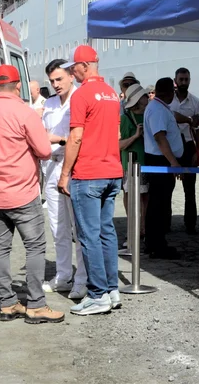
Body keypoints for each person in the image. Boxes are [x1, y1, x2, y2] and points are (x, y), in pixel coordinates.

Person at [0, 65, 64, 324]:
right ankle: (36, 305)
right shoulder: (25, 112)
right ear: (18, 85)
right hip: (22, 191)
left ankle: (8, 303)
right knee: (35, 247)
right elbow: (44, 151)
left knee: (0, 247)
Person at [57, 45, 124, 316]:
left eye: (74, 67)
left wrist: (64, 174)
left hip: (89, 173)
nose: (73, 71)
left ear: (84, 66)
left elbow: (76, 136)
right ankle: (111, 289)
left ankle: (98, 295)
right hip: (112, 170)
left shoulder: (82, 94)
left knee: (88, 236)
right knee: (106, 232)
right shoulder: (110, 94)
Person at [41, 59, 87, 300]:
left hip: (73, 166)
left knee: (78, 229)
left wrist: (57, 139)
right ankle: (63, 275)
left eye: (59, 79)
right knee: (57, 226)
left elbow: (79, 137)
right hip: (51, 167)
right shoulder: (48, 104)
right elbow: (40, 134)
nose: (56, 84)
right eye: (52, 81)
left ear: (71, 75)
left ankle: (82, 278)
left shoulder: (80, 99)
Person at [143, 78, 183, 260]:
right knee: (159, 204)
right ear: (169, 93)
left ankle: (155, 243)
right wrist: (173, 162)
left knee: (159, 203)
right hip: (160, 161)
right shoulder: (157, 109)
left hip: (161, 160)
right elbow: (160, 138)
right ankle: (156, 245)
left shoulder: (158, 107)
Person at [170, 67, 199, 234]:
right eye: (181, 79)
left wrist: (197, 150)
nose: (184, 82)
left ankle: (191, 224)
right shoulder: (168, 101)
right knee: (166, 188)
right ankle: (165, 223)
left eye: (186, 79)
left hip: (189, 147)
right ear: (175, 80)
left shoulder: (196, 102)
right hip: (170, 147)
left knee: (190, 189)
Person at [119, 84, 150, 250]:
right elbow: (119, 145)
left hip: (147, 164)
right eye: (145, 96)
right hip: (131, 164)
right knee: (132, 198)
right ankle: (133, 231)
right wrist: (136, 136)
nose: (148, 98)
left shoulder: (148, 115)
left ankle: (143, 229)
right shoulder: (125, 118)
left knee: (145, 198)